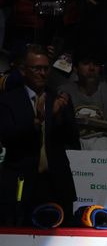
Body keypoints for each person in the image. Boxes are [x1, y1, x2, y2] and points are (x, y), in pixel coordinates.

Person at [0, 44, 79, 228]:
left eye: (46, 68)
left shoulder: (58, 98)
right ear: (23, 70)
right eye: (37, 68)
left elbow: (73, 139)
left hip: (56, 183)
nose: (42, 73)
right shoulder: (8, 100)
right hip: (22, 183)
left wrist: (58, 116)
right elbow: (7, 136)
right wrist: (36, 121)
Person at [58, 47, 107, 151]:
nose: (91, 68)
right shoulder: (65, 91)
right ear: (75, 68)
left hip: (103, 142)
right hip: (73, 140)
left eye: (96, 64)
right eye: (86, 63)